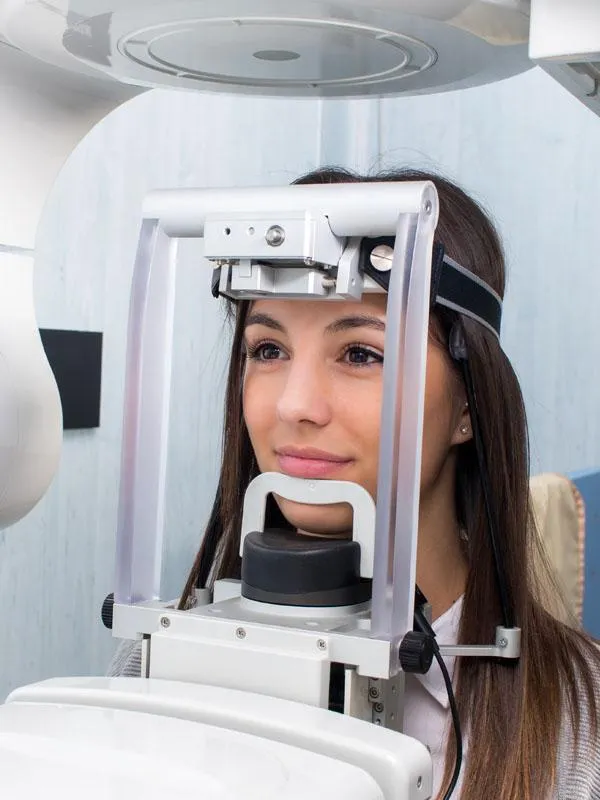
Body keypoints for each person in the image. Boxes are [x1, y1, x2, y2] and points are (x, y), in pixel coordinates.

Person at [110, 167, 600, 799]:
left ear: (469, 404)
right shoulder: (156, 663)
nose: (294, 405)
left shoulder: (580, 725)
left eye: (362, 355)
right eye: (267, 350)